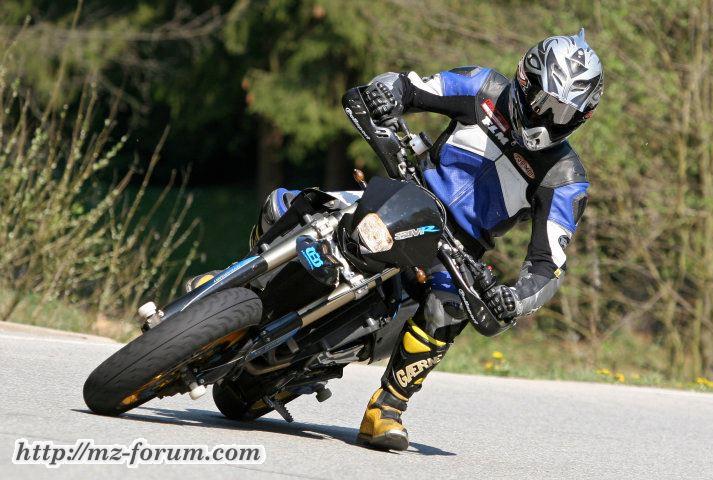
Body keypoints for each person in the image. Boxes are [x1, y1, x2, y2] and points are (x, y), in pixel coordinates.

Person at [191, 29, 603, 451]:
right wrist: (385, 95)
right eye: (542, 101)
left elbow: (547, 265)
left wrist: (515, 299)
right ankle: (234, 281)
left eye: (562, 112)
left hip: (457, 252)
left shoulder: (565, 178)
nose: (546, 117)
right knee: (285, 203)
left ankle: (387, 407)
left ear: (582, 118)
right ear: (523, 79)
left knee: (450, 308)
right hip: (405, 193)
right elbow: (409, 85)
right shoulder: (481, 86)